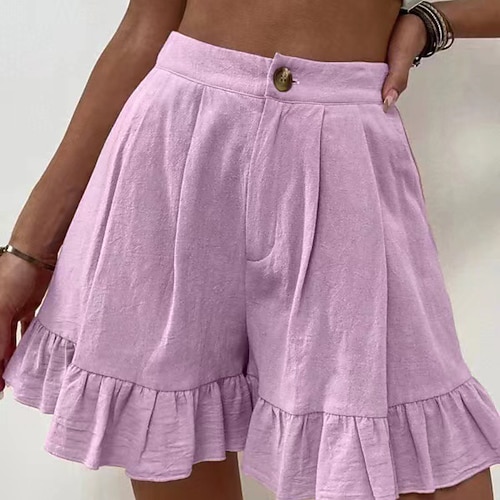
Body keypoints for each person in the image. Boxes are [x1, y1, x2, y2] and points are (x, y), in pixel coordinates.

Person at [1, 1, 500, 499]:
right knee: (169, 437)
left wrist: (435, 20)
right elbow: (144, 29)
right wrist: (26, 255)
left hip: (347, 154)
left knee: (430, 462)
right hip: (177, 149)